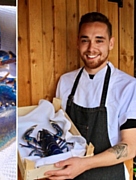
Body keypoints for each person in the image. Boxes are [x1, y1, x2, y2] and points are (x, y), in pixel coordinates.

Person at [44, 12, 136, 179]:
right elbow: (59, 129)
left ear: (111, 43)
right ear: (78, 43)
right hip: (69, 173)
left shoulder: (128, 86)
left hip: (109, 175)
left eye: (99, 41)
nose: (91, 48)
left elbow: (131, 146)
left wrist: (85, 164)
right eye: (85, 40)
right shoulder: (65, 81)